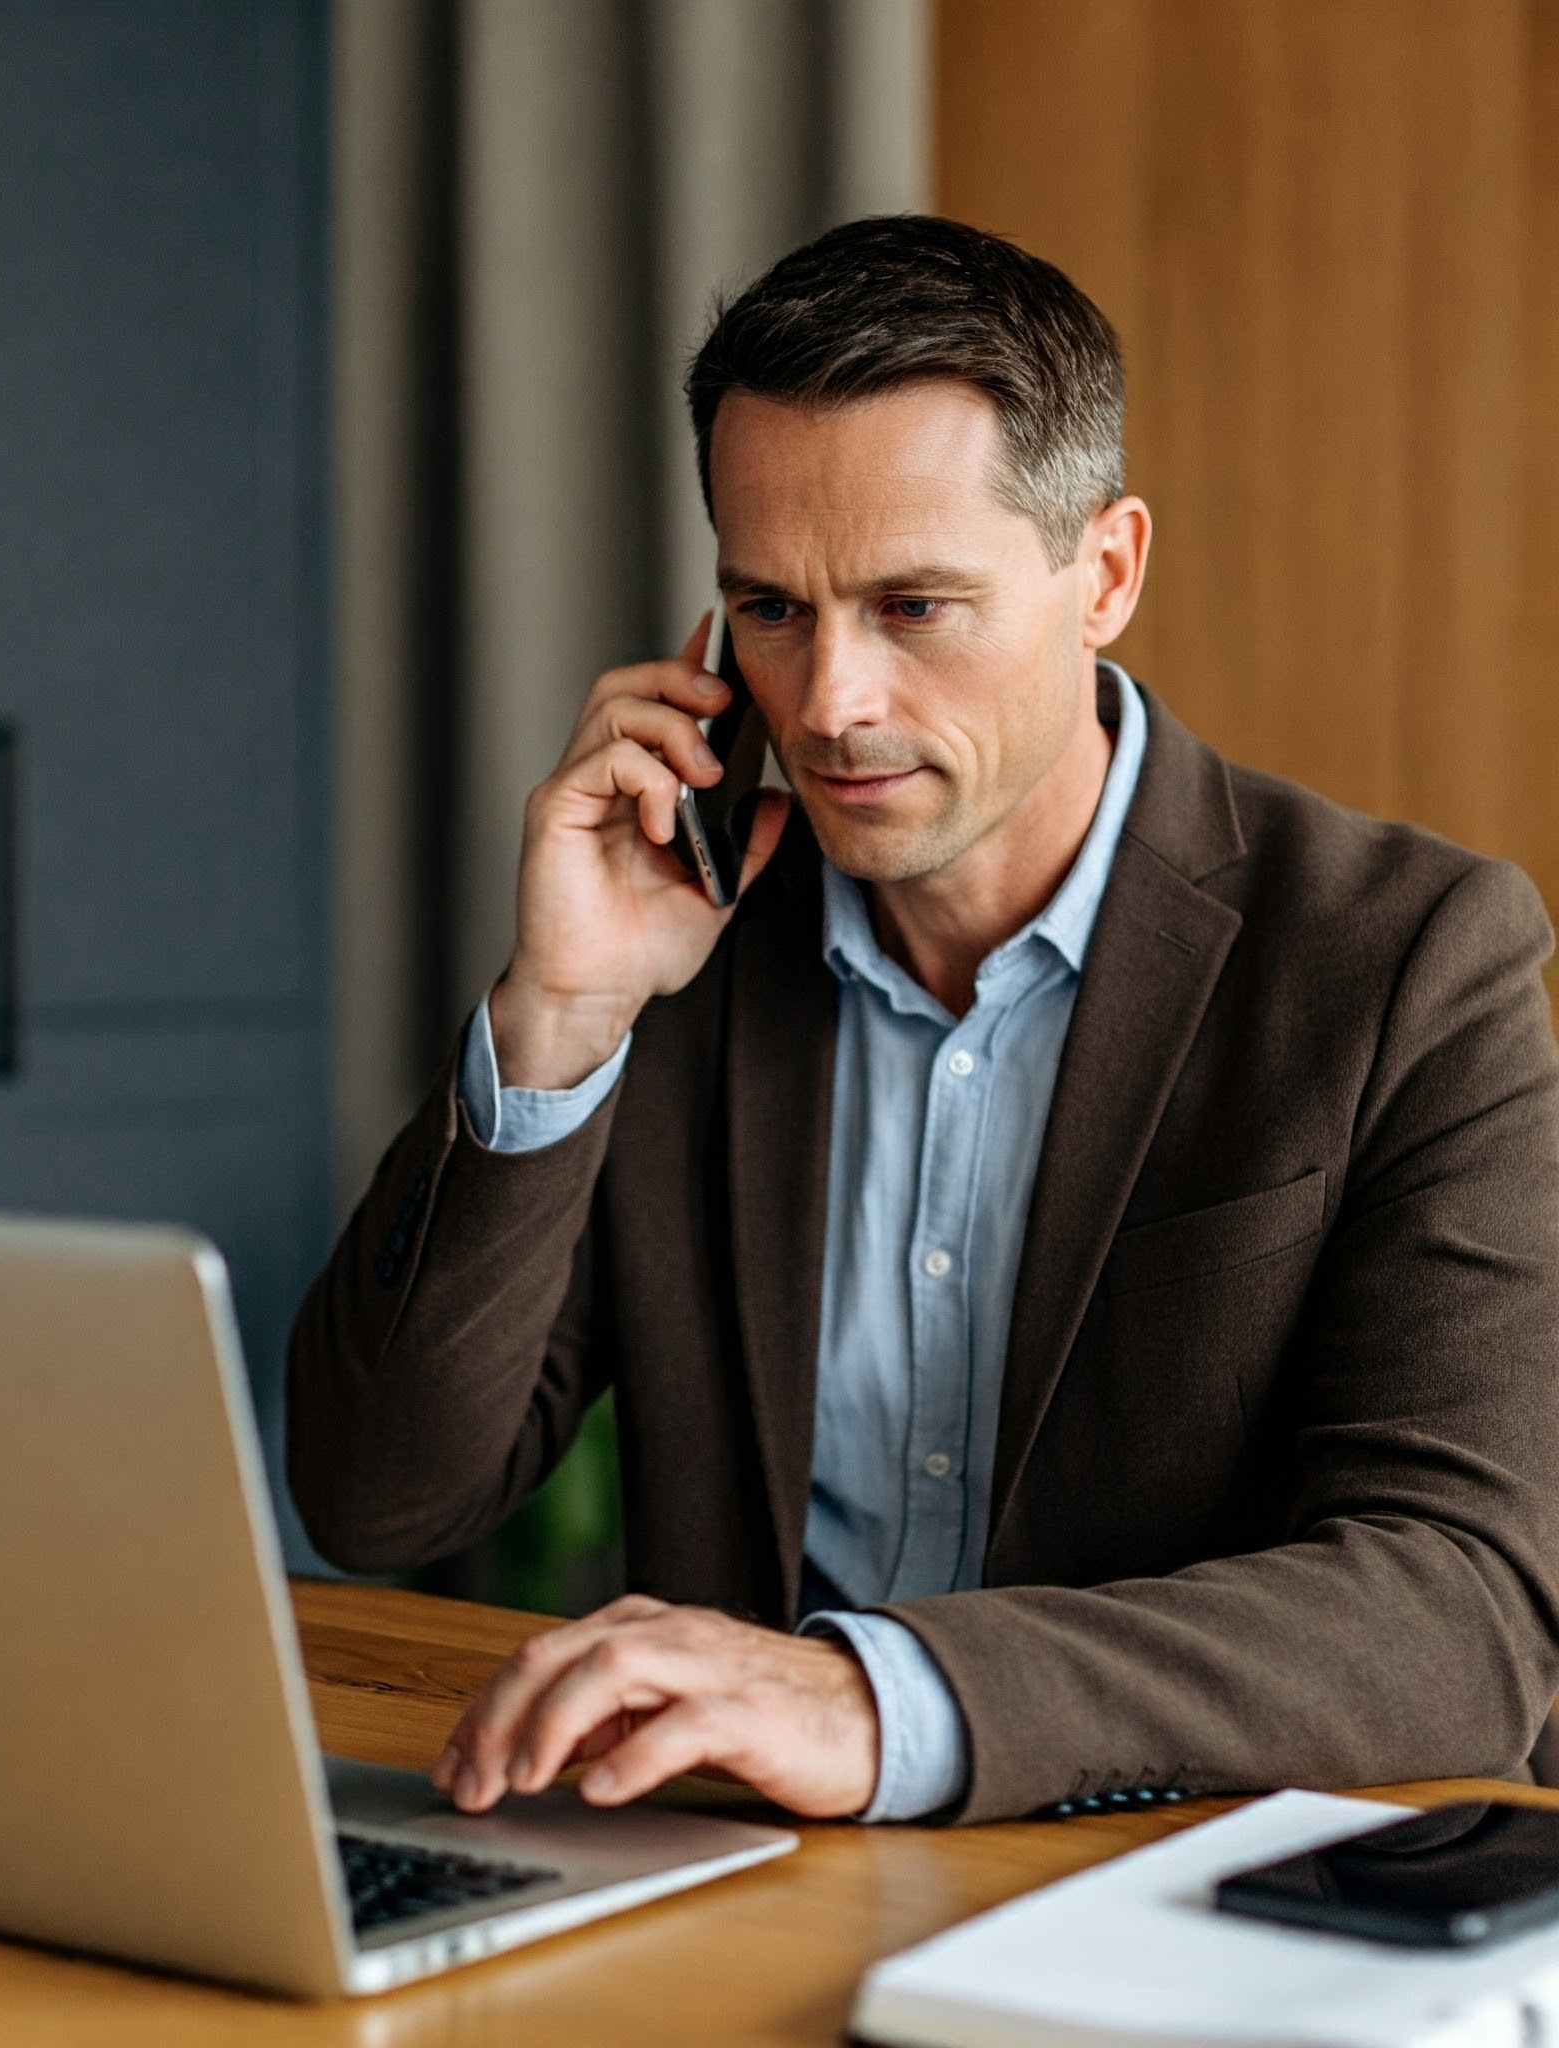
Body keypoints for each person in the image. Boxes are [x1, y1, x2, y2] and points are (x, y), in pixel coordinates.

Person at [287, 215, 1559, 1824]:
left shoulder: (1405, 961)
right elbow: (379, 1494)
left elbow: (1464, 1608)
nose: (829, 706)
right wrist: (559, 1017)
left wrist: (877, 1700)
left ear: (1105, 573)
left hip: (1185, 1897)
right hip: (746, 1886)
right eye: (770, 609)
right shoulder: (682, 945)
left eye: (912, 609)